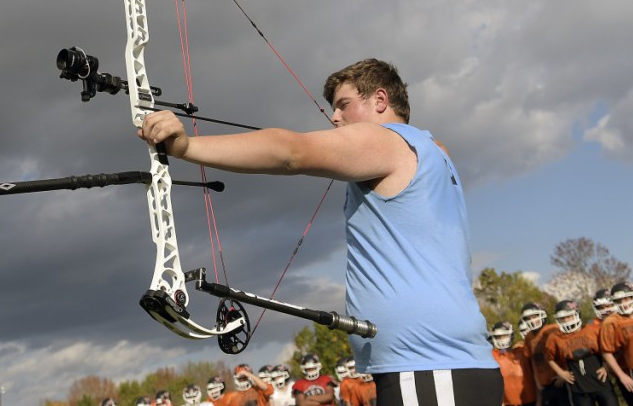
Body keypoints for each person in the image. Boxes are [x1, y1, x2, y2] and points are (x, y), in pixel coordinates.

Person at [139, 58, 502, 405]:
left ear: (380, 100)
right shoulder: (431, 149)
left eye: (344, 105)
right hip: (436, 365)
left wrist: (186, 146)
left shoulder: (389, 141)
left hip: (428, 365)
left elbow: (292, 153)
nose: (335, 116)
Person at [546, 300, 618, 406]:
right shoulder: (555, 338)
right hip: (578, 388)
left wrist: (607, 366)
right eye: (562, 318)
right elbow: (549, 358)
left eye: (569, 316)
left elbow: (609, 349)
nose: (566, 320)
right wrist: (561, 373)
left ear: (577, 314)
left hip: (600, 382)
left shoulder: (593, 329)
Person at [521, 301, 569, 406]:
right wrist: (537, 380)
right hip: (544, 384)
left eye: (534, 316)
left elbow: (568, 352)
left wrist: (564, 372)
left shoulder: (554, 329)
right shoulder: (529, 336)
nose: (532, 321)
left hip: (560, 381)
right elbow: (533, 359)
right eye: (528, 318)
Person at [490, 321, 537, 406]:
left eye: (504, 335)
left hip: (531, 400)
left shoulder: (523, 350)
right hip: (508, 403)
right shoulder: (492, 356)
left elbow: (538, 372)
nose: (501, 339)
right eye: (498, 337)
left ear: (511, 335)